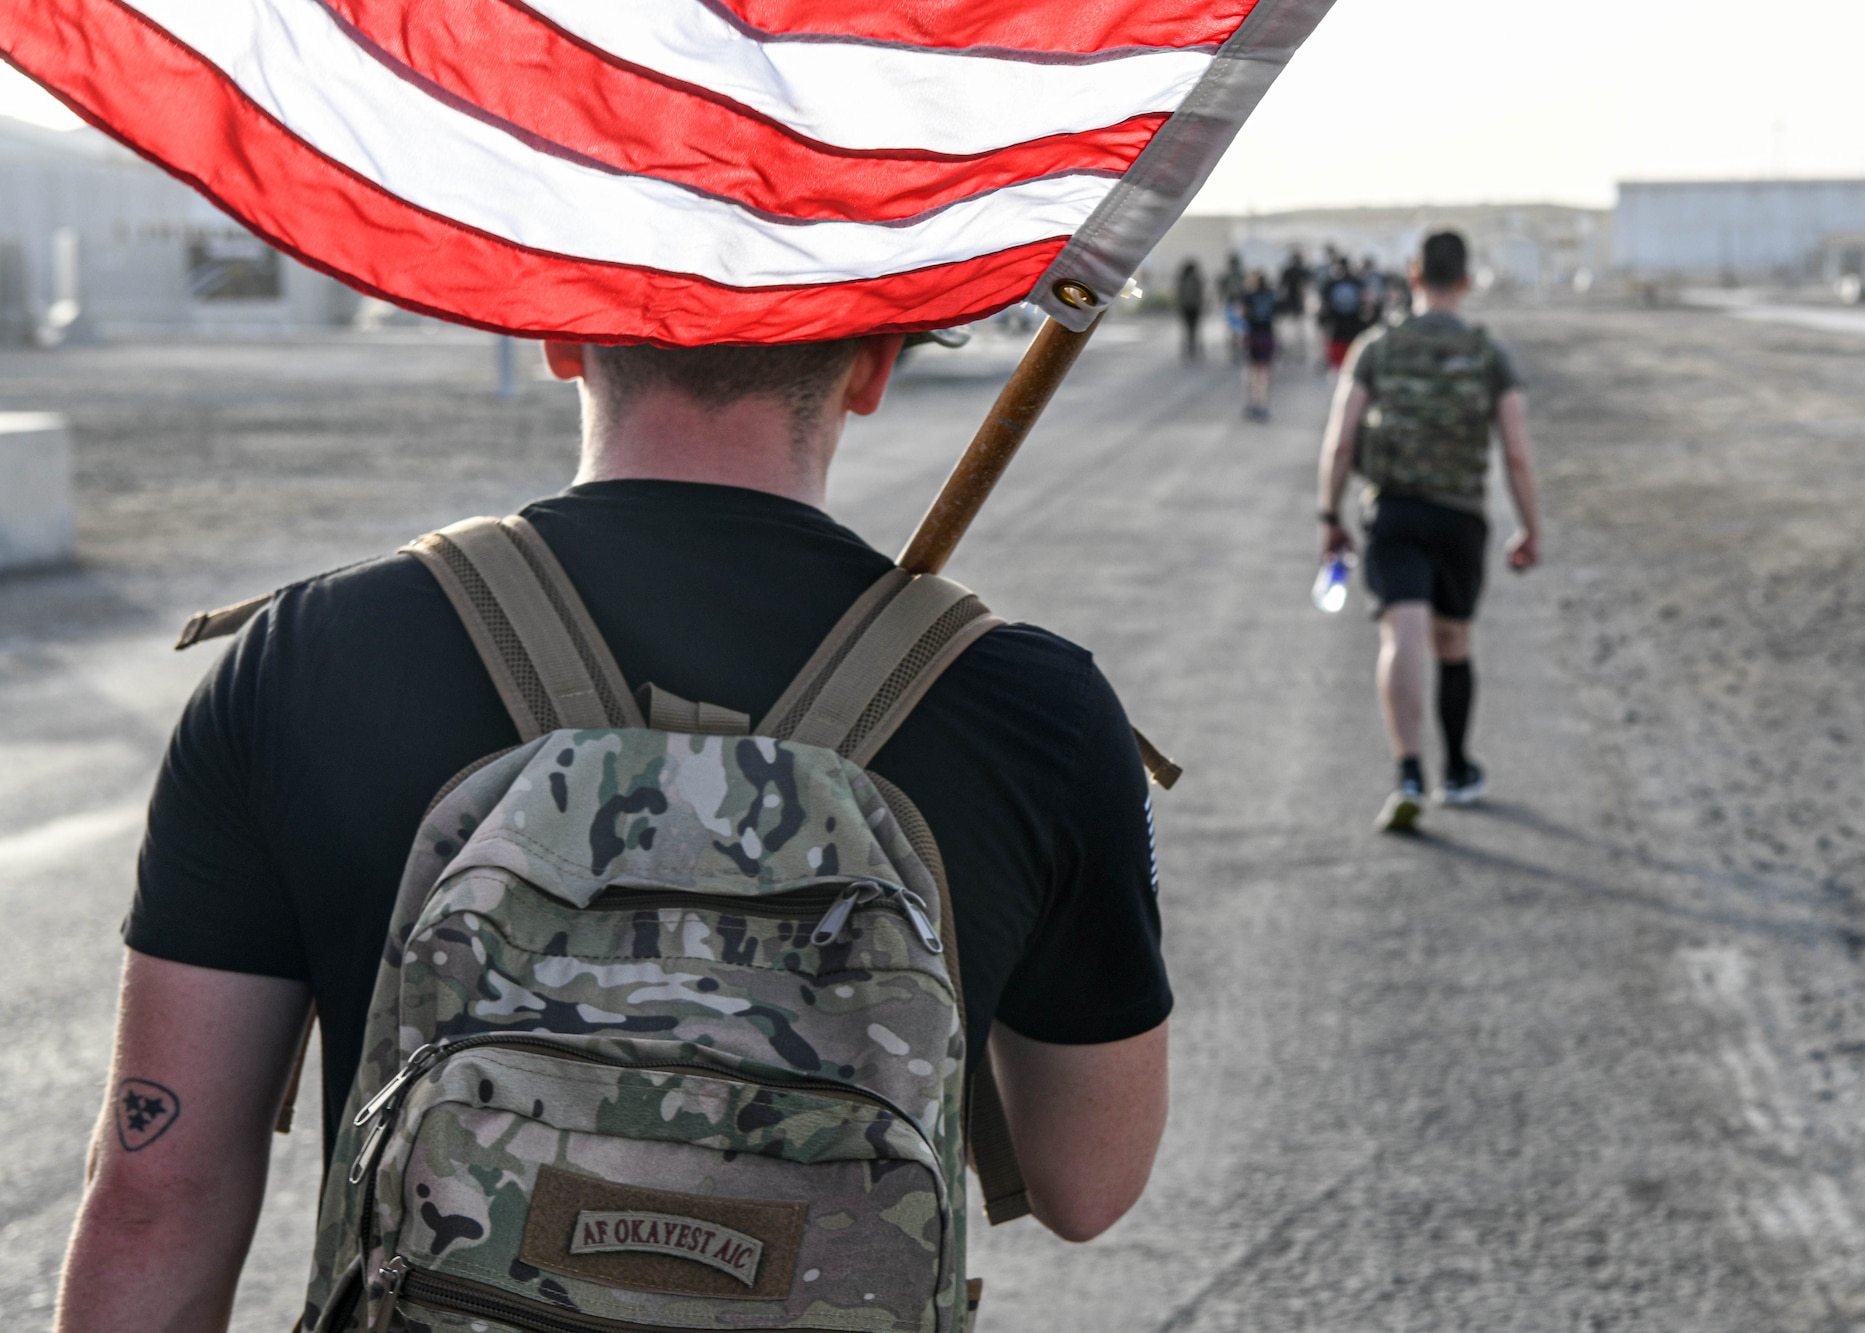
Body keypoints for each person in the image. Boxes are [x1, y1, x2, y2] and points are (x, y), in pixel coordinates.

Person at [56, 334, 1174, 1327]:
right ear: (872, 369)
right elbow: (1085, 1180)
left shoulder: (312, 657)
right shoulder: (1033, 707)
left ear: (557, 333)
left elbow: (161, 1196)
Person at [1315, 230, 1541, 833]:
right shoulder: (1489, 351)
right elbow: (1516, 453)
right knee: (1454, 642)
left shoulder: (1377, 346)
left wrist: (1329, 517)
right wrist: (1530, 528)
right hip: (1461, 516)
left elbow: (1340, 441)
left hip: (1393, 510)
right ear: (1464, 281)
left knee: (1401, 635)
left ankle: (1409, 772)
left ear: (1414, 277)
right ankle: (1459, 770)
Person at [1237, 269, 1280, 420]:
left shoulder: (1248, 296)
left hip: (1253, 335)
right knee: (1264, 372)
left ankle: (1252, 403)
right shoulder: (1271, 295)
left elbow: (1240, 314)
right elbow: (1277, 314)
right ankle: (1262, 404)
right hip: (1267, 335)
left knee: (1251, 372)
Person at [1317, 257, 1368, 370]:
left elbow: (1323, 306)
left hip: (1341, 329)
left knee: (1340, 365)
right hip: (1348, 329)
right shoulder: (1355, 282)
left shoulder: (1331, 283)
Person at [1278, 247, 1312, 357]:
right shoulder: (1299, 271)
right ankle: (1295, 349)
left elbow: (1282, 288)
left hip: (1294, 302)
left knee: (1294, 328)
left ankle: (1295, 349)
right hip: (1295, 302)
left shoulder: (1292, 271)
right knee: (1295, 328)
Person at [1217, 251, 1246, 363]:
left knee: (1232, 328)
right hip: (1239, 303)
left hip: (1230, 303)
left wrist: (1220, 301)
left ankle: (1234, 349)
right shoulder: (1242, 275)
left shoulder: (1226, 275)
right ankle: (1239, 349)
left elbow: (1221, 290)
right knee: (1240, 328)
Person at [1175, 257, 1206, 360]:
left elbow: (1178, 294)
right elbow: (1200, 293)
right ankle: (1193, 349)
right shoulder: (1195, 278)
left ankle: (1189, 349)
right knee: (1194, 330)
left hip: (1185, 307)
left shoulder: (1182, 278)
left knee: (1188, 330)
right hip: (1194, 307)